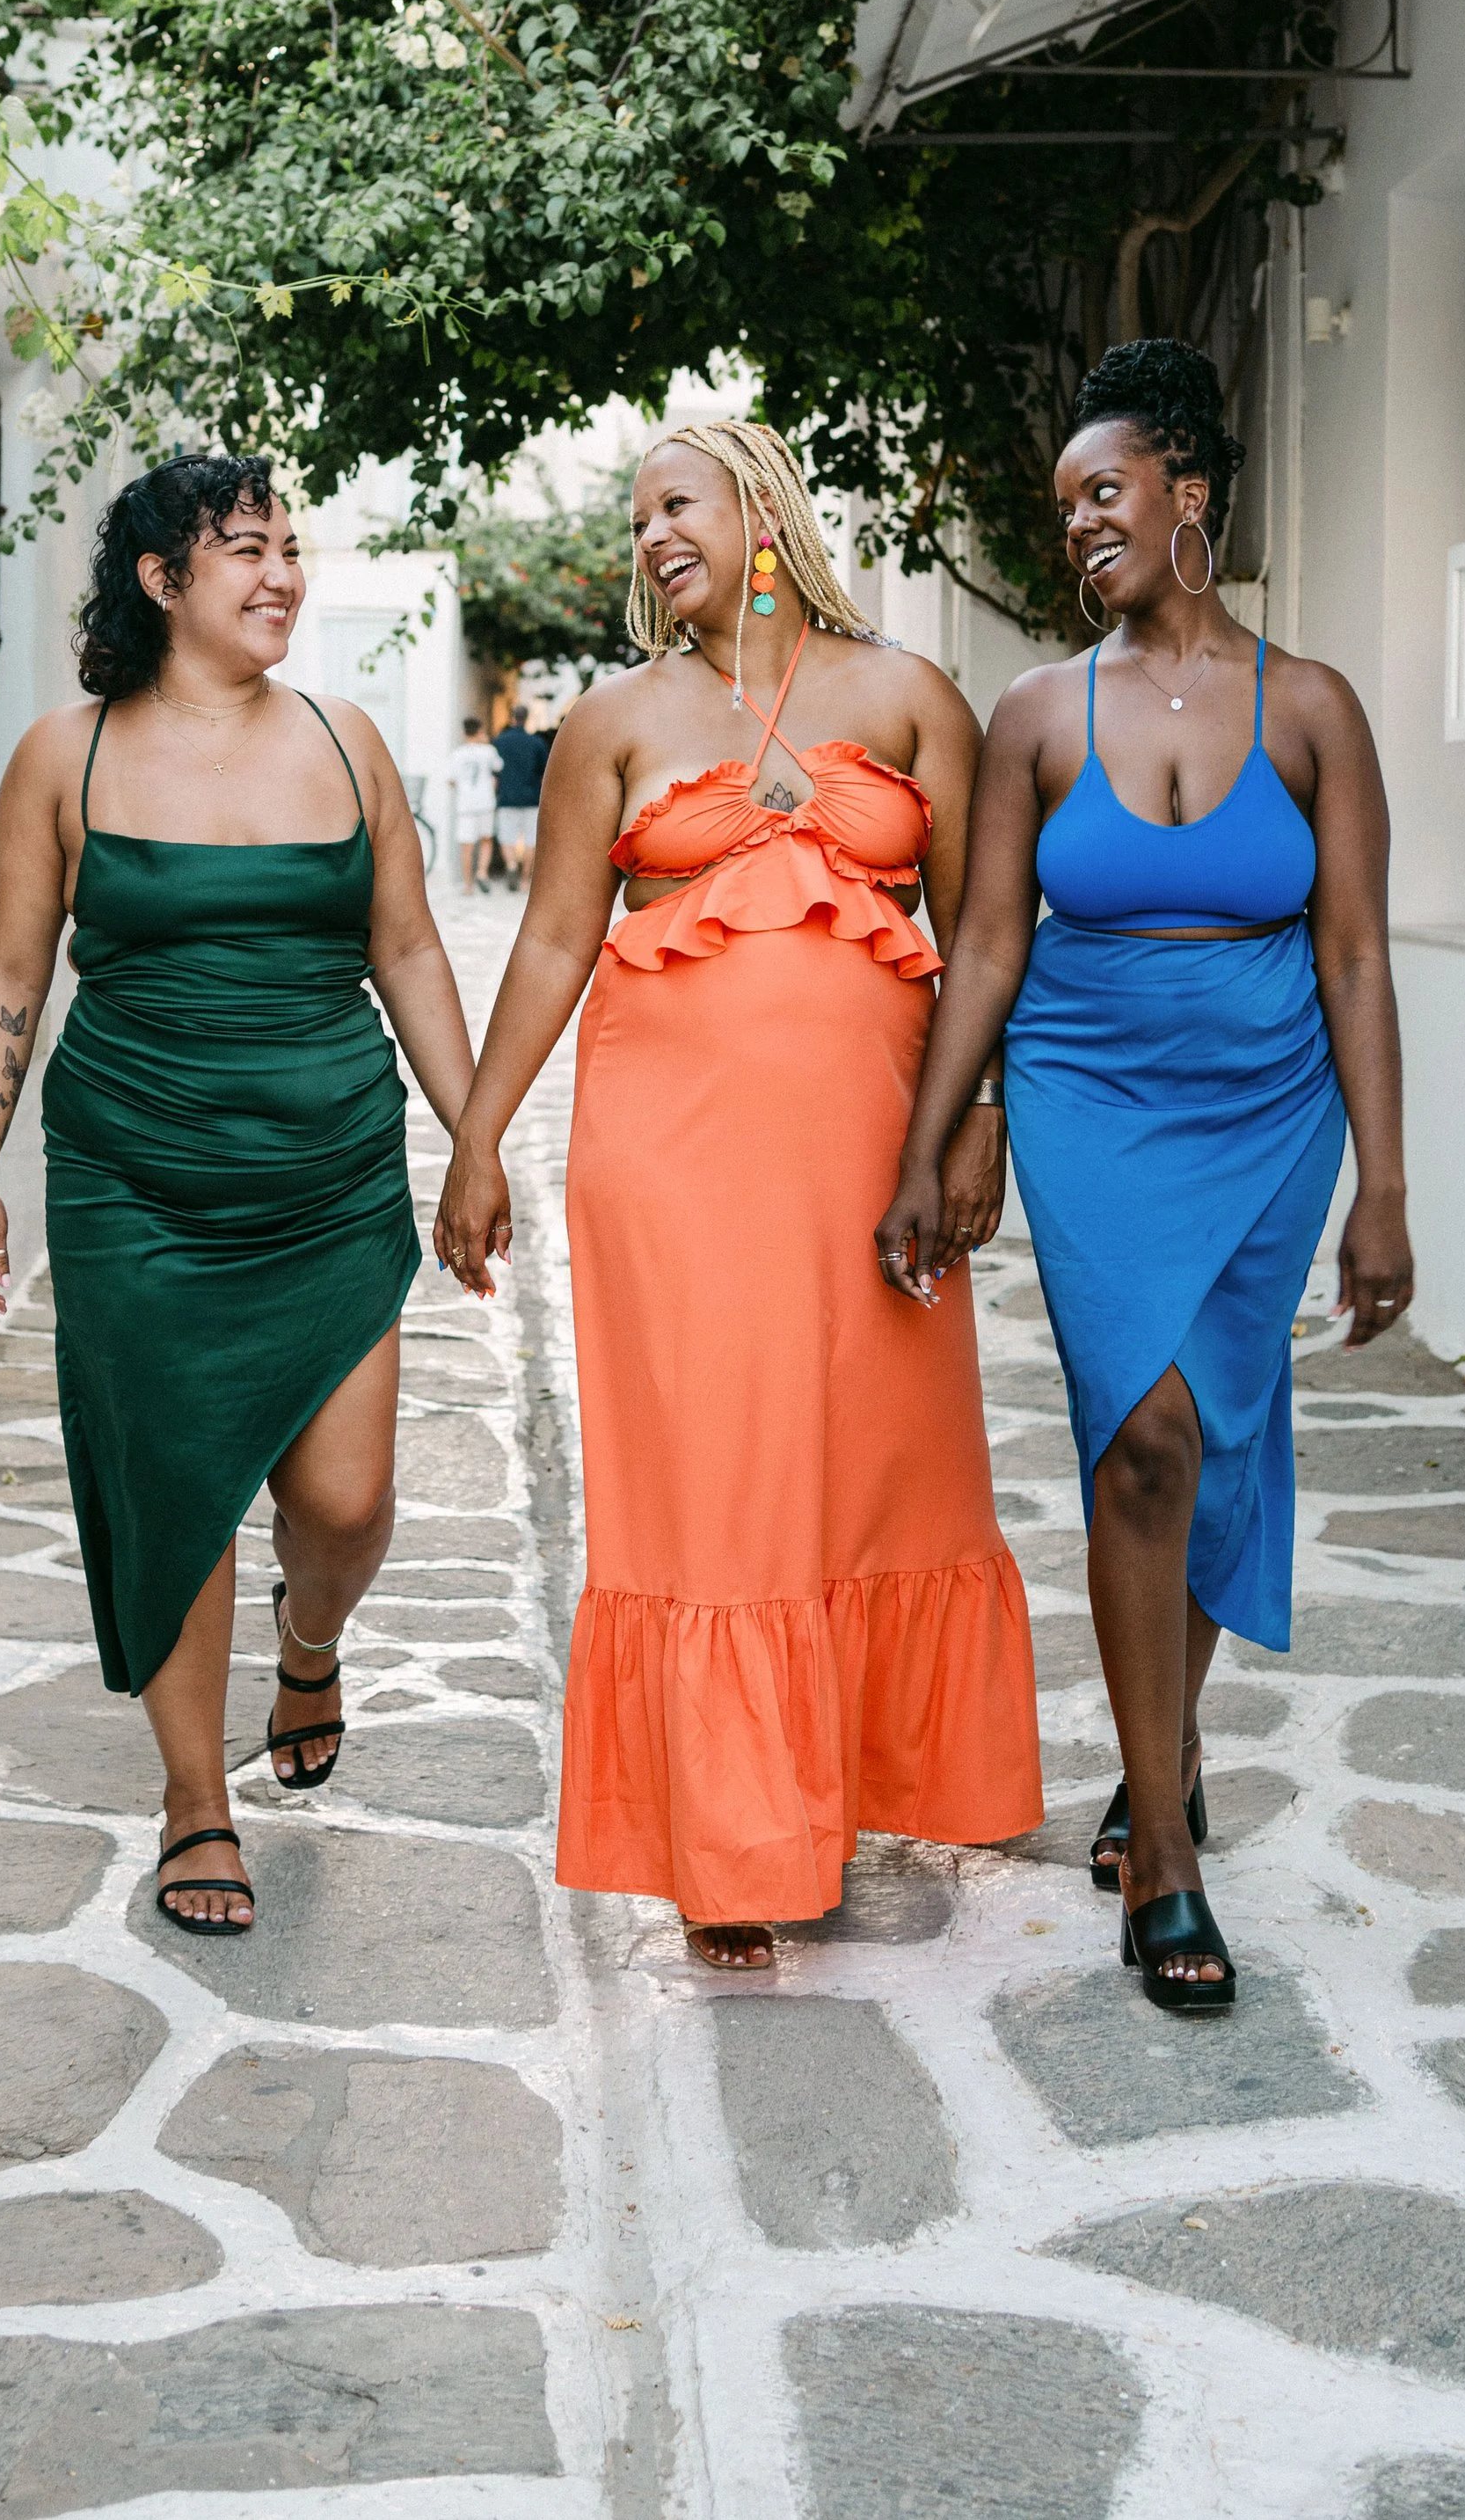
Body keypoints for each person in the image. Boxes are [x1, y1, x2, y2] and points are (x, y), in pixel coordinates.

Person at [434, 420, 1042, 1967]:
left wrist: (977, 1118)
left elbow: (980, 931)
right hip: (674, 1165)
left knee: (868, 1461)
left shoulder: (909, 697)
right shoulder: (613, 722)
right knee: (712, 1482)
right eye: (637, 518)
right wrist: (480, 1136)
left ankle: (842, 1792)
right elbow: (559, 942)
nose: (650, 537)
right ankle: (730, 1845)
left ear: (763, 510)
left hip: (870, 1159)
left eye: (675, 504)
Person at [878, 341, 1412, 2015]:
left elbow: (1357, 957)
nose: (1078, 526)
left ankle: (1160, 1767)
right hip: (1092, 1097)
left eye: (1103, 491)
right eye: (1063, 509)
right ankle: (1167, 1855)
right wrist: (927, 1145)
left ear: (1189, 488)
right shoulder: (1038, 712)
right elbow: (981, 946)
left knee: (1218, 1446)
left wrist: (1384, 1189)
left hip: (1269, 1107)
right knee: (1146, 1439)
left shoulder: (1311, 707)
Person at [0, 456, 476, 1934]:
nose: (283, 576)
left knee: (348, 1499)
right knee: (175, 1491)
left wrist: (476, 1137)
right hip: (135, 1181)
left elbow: (414, 953)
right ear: (162, 583)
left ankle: (311, 1644)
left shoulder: (343, 737)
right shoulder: (71, 756)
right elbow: (11, 968)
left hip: (327, 1176)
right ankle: (196, 1803)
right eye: (246, 551)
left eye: (291, 550)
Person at [492, 705, 550, 891]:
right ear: (527, 718)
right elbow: (544, 773)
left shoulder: (499, 742)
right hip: (531, 798)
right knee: (531, 840)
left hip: (507, 797)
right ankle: (525, 881)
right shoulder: (537, 743)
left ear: (512, 717)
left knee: (506, 838)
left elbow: (494, 771)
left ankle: (511, 866)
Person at [446, 717, 503, 895]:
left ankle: (468, 886)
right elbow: (499, 767)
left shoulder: (457, 754)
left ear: (464, 733)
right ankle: (482, 872)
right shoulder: (489, 751)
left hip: (466, 805)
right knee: (486, 840)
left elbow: (451, 781)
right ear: (480, 731)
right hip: (485, 802)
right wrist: (486, 742)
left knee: (467, 846)